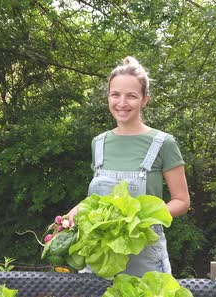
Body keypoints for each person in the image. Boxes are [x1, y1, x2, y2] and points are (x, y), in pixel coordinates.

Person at [66, 56, 190, 277]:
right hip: (100, 257)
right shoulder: (99, 143)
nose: (122, 103)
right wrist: (78, 210)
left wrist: (138, 219)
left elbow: (182, 201)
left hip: (146, 259)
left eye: (131, 96)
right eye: (115, 94)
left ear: (144, 100)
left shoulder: (163, 144)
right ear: (108, 97)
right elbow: (100, 199)